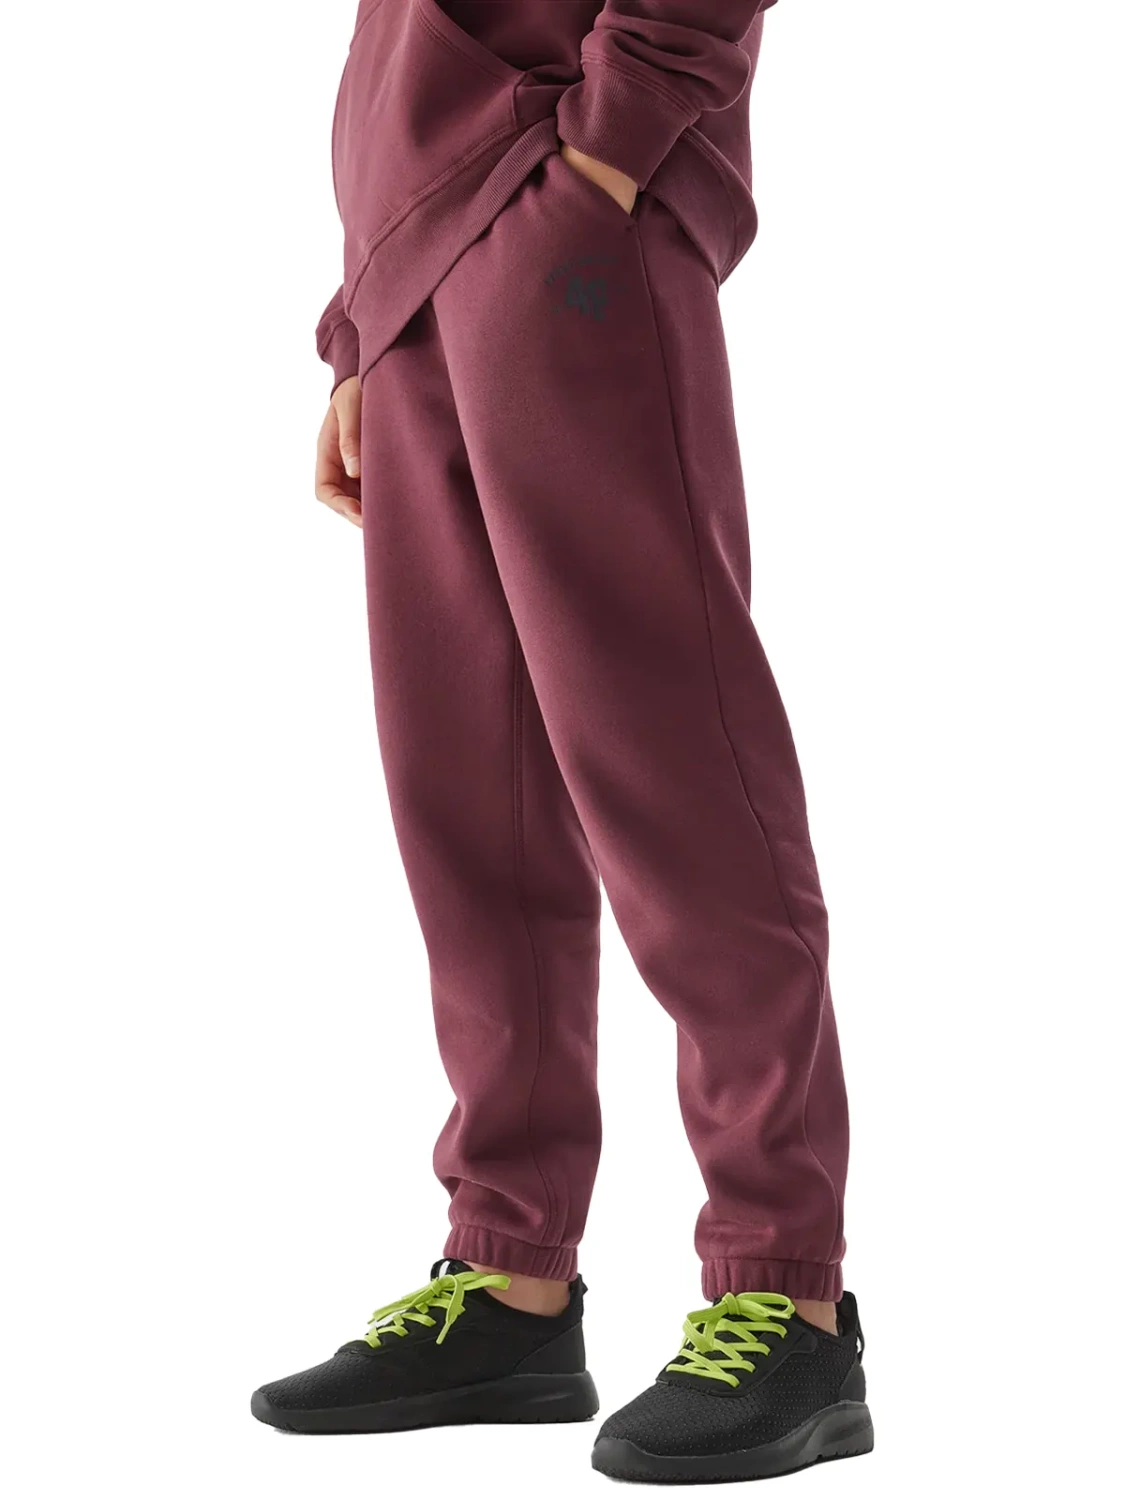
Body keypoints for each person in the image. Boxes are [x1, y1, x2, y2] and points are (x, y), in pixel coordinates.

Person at [252, 1, 872, 1482]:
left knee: (673, 766)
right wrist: (361, 322)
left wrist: (610, 146)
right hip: (420, 256)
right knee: (468, 797)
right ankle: (510, 1274)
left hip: (571, 202)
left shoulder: (589, 172)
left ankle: (786, 1289)